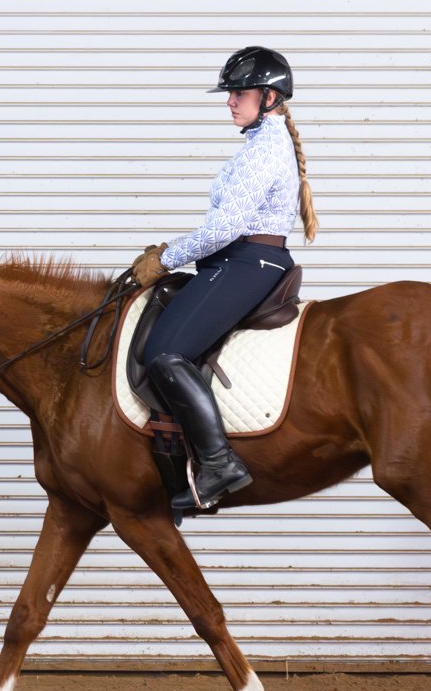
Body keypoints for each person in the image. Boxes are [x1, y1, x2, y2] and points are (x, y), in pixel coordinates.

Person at [129, 46, 320, 517]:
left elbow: (224, 228)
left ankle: (218, 464)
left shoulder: (265, 148)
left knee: (163, 353)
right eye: (230, 94)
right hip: (237, 260)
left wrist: (167, 258)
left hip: (248, 261)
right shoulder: (259, 144)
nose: (230, 102)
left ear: (269, 97)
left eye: (239, 93)